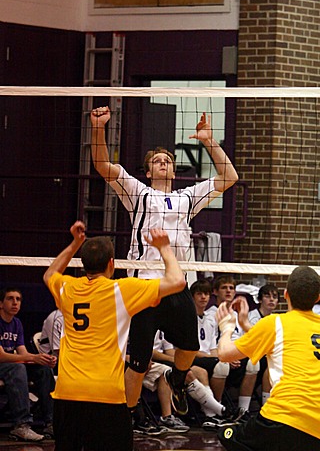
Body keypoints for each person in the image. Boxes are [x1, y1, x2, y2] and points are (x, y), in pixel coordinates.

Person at [91, 105, 239, 416]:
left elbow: (229, 177)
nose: (163, 163)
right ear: (148, 171)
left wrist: (209, 141)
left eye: (168, 161)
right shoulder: (138, 193)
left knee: (189, 349)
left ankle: (178, 378)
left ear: (174, 171)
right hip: (144, 286)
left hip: (176, 283)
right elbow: (102, 164)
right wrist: (98, 128)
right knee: (140, 362)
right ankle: (127, 418)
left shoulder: (188, 197)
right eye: (157, 161)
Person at [43, 221, 186, 451]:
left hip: (67, 392)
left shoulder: (67, 288)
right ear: (111, 264)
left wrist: (74, 244)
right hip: (105, 394)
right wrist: (164, 247)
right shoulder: (121, 290)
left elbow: (50, 274)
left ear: (83, 263)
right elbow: (177, 281)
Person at [215, 265, 320, 451]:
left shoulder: (275, 322)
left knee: (226, 436)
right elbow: (280, 345)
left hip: (284, 417)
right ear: (318, 298)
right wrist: (246, 324)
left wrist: (227, 328)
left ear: (286, 294)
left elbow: (224, 354)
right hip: (316, 429)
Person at [0, 287, 56, 442]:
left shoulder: (16, 323)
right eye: (10, 298)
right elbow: (1, 356)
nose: (15, 303)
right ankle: (21, 425)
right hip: (3, 364)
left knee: (43, 369)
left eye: (18, 299)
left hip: (9, 365)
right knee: (18, 367)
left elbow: (22, 353)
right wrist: (33, 357)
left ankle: (51, 422)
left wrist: (41, 359)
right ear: (0, 303)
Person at [190, 279, 244, 429]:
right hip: (193, 358)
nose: (203, 297)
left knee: (243, 364)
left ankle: (217, 410)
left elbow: (213, 347)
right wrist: (218, 358)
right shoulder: (187, 319)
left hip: (209, 357)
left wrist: (220, 357)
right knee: (221, 366)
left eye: (206, 294)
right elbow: (190, 351)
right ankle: (215, 412)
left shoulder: (209, 319)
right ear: (192, 297)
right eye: (199, 294)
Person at [207, 275, 259, 414]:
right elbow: (210, 344)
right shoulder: (210, 314)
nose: (229, 291)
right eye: (224, 288)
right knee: (221, 367)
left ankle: (243, 410)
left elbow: (243, 340)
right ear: (215, 292)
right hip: (218, 355)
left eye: (231, 288)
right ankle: (217, 410)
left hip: (235, 354)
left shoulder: (238, 314)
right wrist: (226, 356)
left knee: (255, 363)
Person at [248, 284, 280, 405]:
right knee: (271, 366)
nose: (272, 299)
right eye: (267, 296)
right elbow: (254, 342)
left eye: (275, 297)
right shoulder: (252, 317)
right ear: (260, 299)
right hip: (252, 354)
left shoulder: (275, 319)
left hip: (267, 354)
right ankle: (266, 405)